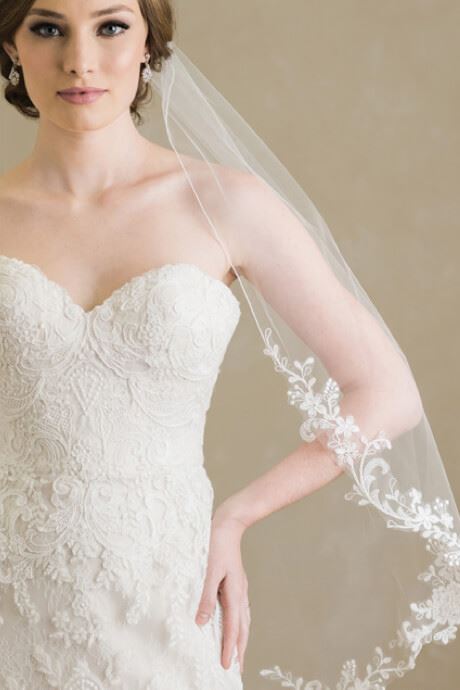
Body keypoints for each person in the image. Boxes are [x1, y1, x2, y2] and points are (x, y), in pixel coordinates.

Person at [1, 1, 458, 689]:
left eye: (111, 25)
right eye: (47, 27)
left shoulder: (222, 204)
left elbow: (385, 389)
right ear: (11, 46)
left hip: (170, 591)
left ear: (149, 41)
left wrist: (237, 517)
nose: (80, 59)